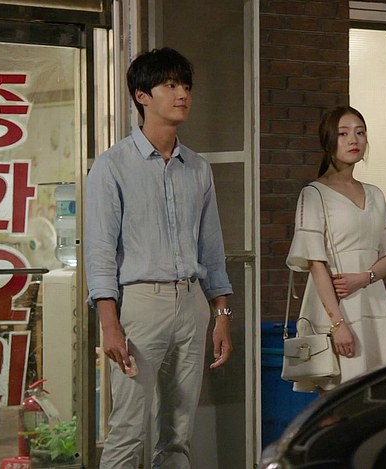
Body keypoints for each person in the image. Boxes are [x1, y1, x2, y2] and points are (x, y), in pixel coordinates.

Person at [84, 47, 233, 469]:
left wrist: (222, 315)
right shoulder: (112, 166)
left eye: (185, 85)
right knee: (127, 429)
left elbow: (212, 250)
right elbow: (100, 252)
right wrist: (109, 325)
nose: (182, 94)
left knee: (178, 434)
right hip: (140, 304)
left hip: (191, 303)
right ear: (142, 95)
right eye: (170, 85)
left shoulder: (198, 168)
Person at [286, 105, 386, 392]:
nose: (353, 140)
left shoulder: (375, 194)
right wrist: (338, 324)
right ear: (328, 140)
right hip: (334, 308)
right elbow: (316, 263)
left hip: (371, 303)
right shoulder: (313, 194)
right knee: (336, 399)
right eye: (343, 134)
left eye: (360, 133)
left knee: (375, 395)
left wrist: (364, 278)